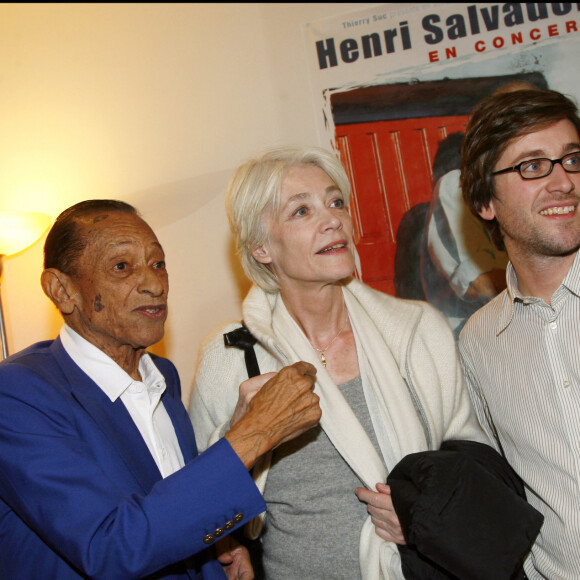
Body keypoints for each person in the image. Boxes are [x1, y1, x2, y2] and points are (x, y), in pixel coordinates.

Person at [189, 146, 488, 579]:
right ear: (260, 248)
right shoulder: (231, 354)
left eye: (335, 202)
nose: (332, 219)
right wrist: (241, 434)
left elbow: (476, 462)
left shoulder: (418, 330)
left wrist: (428, 517)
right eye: (301, 211)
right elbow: (199, 500)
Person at [0, 199, 321, 580]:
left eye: (158, 264)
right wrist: (255, 433)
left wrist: (221, 542)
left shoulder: (163, 376)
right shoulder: (18, 393)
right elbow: (111, 545)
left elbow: (168, 506)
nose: (154, 284)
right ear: (61, 289)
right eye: (122, 267)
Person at [458, 88, 580, 579]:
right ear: (486, 199)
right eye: (532, 166)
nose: (563, 182)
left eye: (572, 159)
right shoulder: (479, 344)